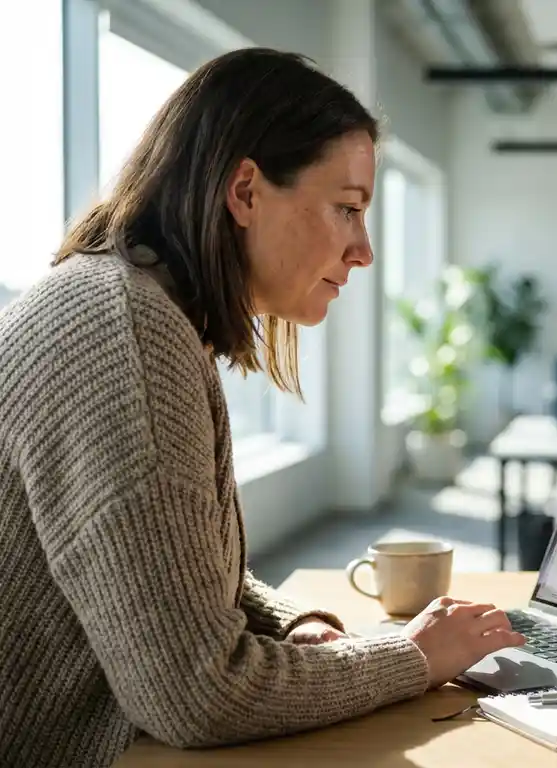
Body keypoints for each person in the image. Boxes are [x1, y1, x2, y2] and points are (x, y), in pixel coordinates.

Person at [0, 48, 525, 767]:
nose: (364, 250)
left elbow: (163, 566)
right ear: (245, 191)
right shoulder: (128, 336)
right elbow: (196, 693)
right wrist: (409, 657)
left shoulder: (122, 303)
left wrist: (294, 622)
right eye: (347, 208)